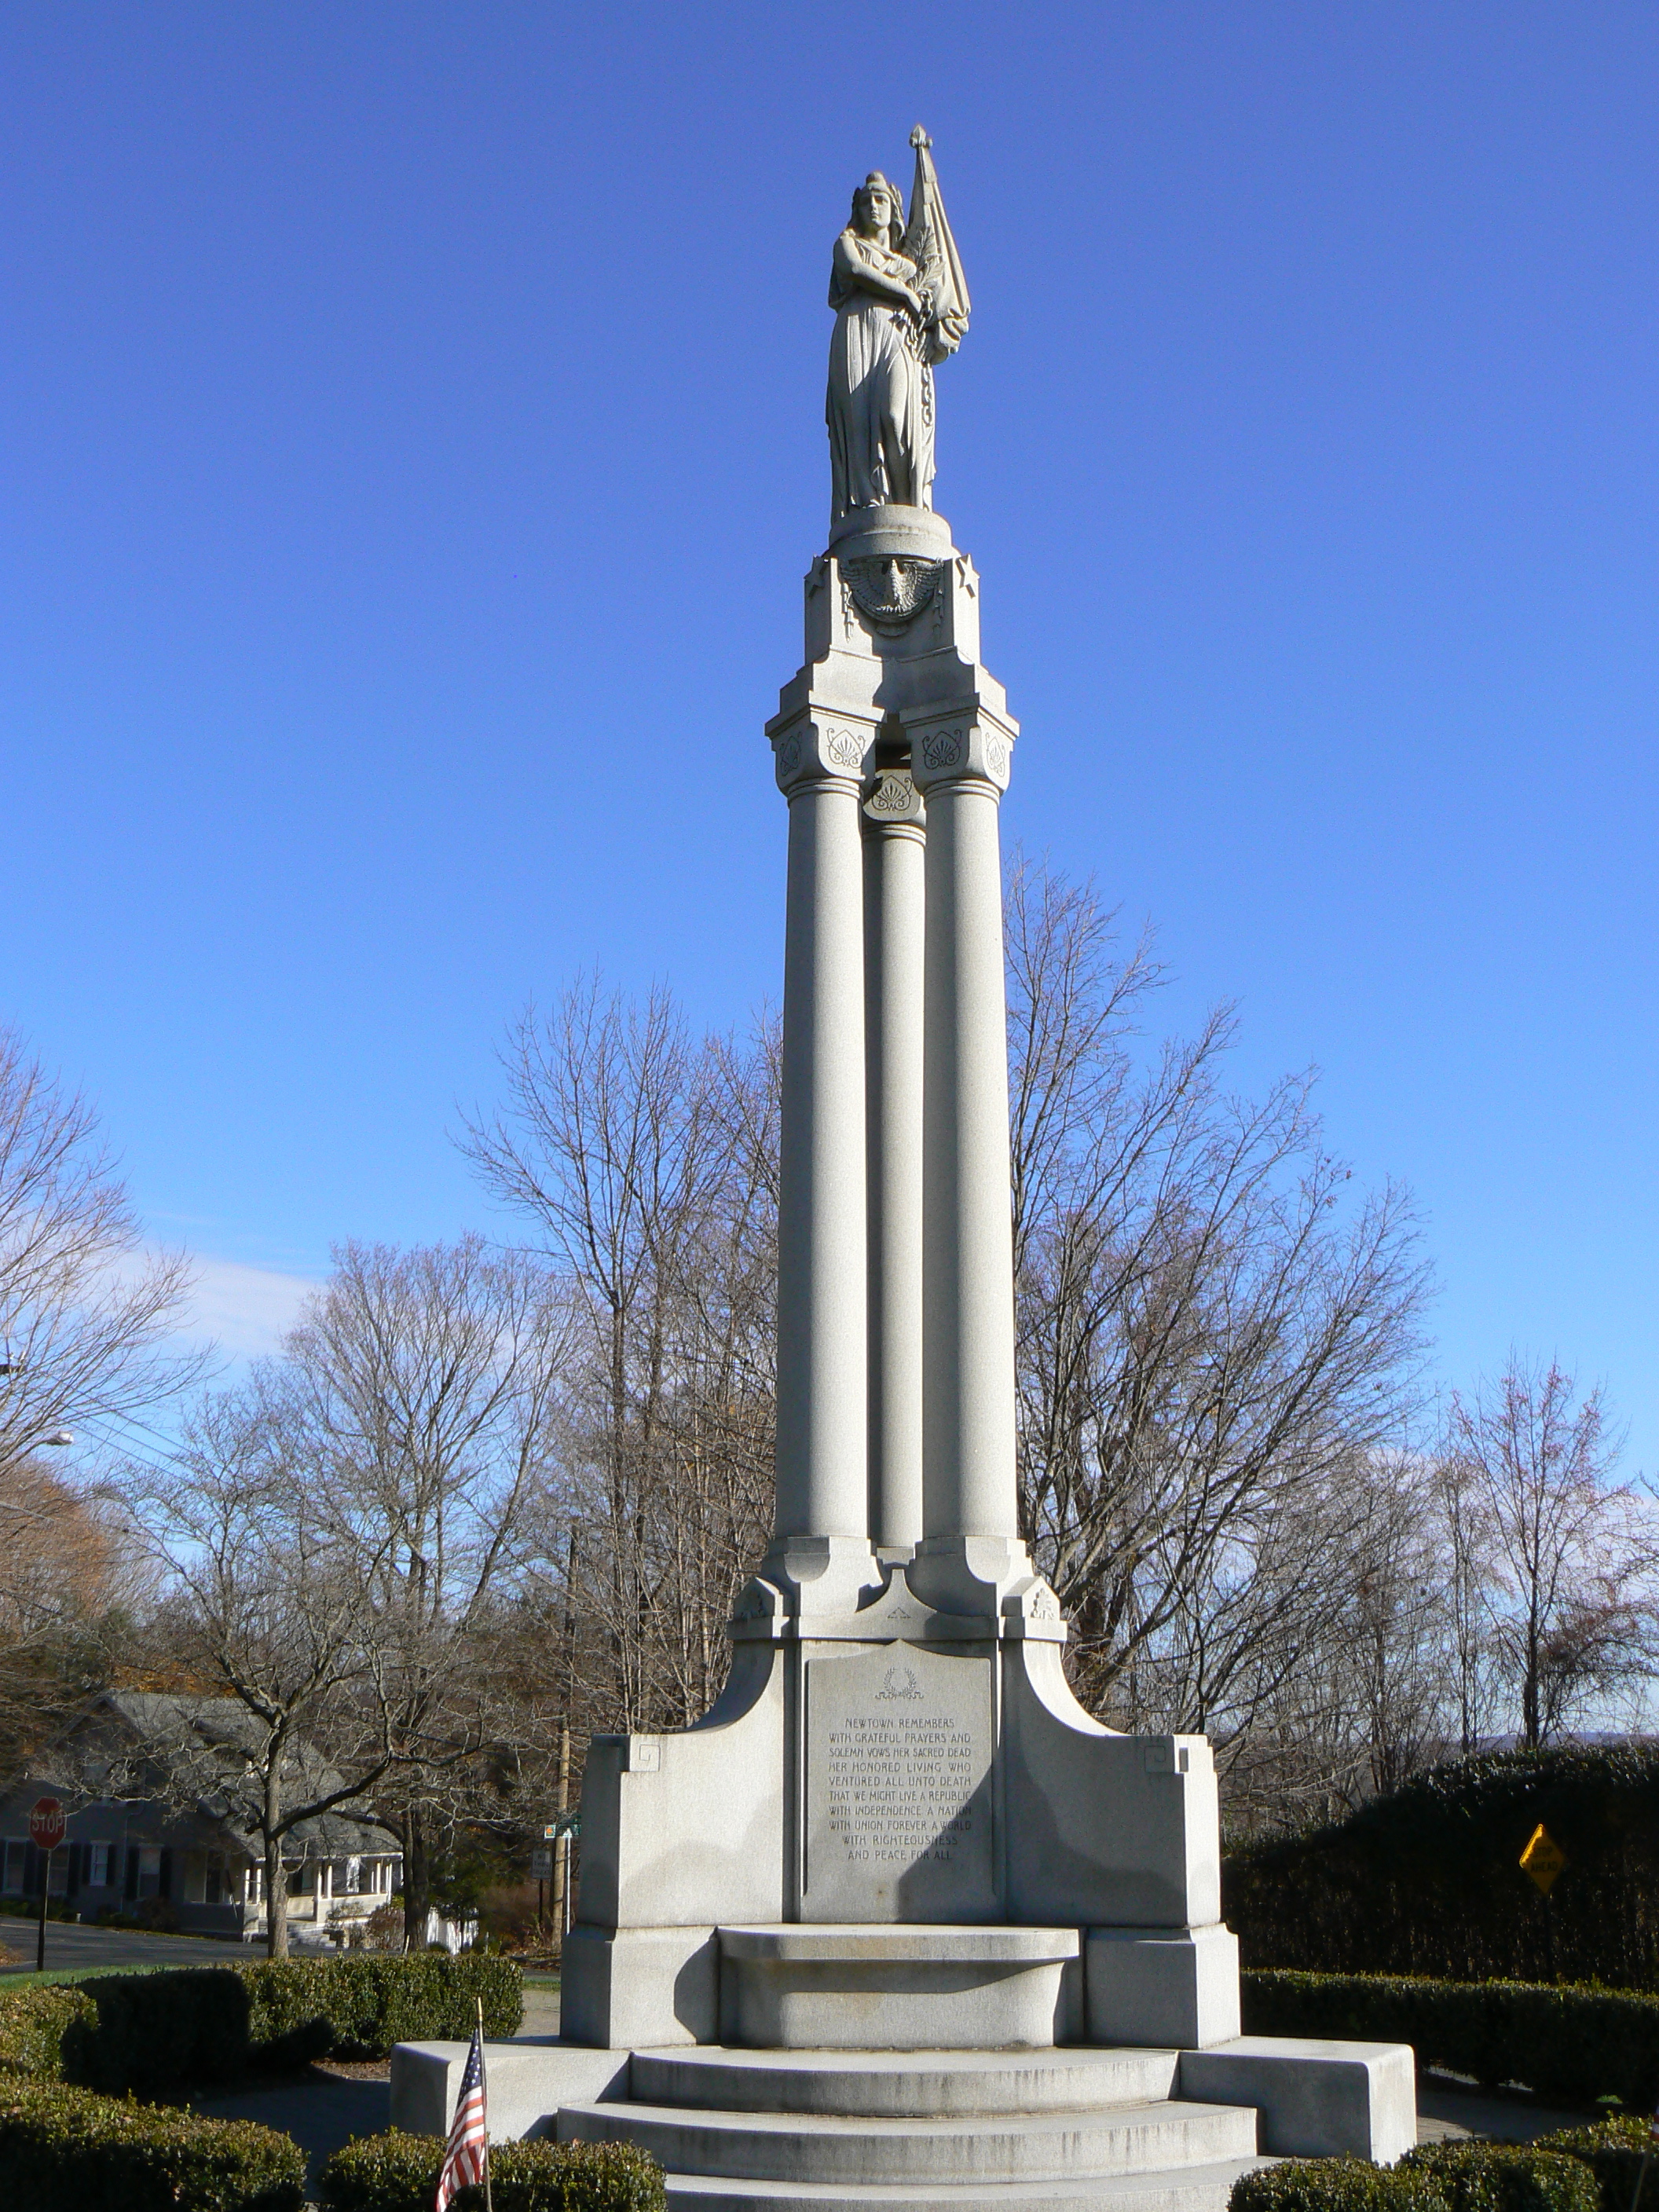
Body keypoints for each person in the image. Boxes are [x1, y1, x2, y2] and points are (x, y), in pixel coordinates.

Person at [826, 172, 935, 520]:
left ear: (893, 210)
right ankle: (867, 505)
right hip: (856, 334)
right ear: (856, 209)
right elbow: (855, 270)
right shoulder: (847, 245)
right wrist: (905, 293)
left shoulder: (908, 266)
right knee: (857, 427)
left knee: (894, 416)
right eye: (866, 200)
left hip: (895, 336)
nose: (873, 206)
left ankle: (906, 506)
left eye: (881, 199)